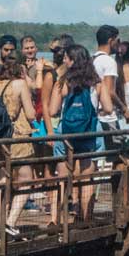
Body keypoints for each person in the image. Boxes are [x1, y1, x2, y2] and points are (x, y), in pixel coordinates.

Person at [45, 45, 103, 223]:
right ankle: (85, 218)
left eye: (66, 58)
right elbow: (107, 107)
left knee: (61, 177)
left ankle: (55, 220)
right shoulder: (96, 83)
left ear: (72, 61)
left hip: (66, 133)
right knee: (86, 178)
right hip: (89, 132)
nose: (63, 61)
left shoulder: (62, 82)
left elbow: (53, 110)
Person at [0, 60, 37, 235]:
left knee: (3, 180)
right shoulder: (19, 84)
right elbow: (31, 114)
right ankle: (10, 222)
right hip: (17, 136)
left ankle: (0, 222)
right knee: (26, 179)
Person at [91, 26, 126, 164]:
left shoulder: (92, 59)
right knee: (119, 157)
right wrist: (125, 109)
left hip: (94, 115)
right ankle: (118, 185)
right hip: (108, 117)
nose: (119, 44)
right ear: (111, 40)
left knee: (93, 158)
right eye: (118, 40)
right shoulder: (109, 62)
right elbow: (110, 91)